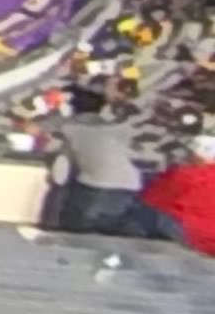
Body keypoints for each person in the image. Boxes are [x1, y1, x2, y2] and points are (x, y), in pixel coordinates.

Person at [44, 89, 149, 235]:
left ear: (72, 107)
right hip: (129, 188)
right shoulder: (116, 129)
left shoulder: (70, 128)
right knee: (107, 233)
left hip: (96, 187)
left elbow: (60, 170)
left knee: (76, 231)